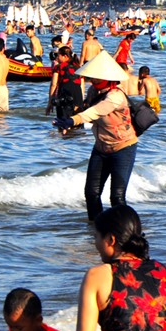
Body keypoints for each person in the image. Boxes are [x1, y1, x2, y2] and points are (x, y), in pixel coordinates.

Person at [54, 52, 138, 220]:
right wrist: (69, 120)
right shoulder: (93, 91)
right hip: (100, 148)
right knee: (91, 193)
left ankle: (122, 230)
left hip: (123, 147)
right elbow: (85, 110)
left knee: (117, 196)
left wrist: (73, 121)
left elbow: (95, 112)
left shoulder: (116, 96)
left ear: (108, 78)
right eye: (92, 78)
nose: (92, 81)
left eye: (96, 78)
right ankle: (97, 230)